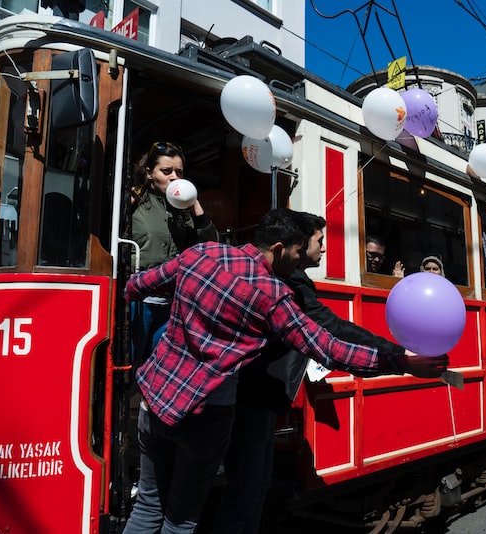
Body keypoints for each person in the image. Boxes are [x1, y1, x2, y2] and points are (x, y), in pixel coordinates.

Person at [122, 209, 448, 533]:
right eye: (297, 250)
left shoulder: (201, 253)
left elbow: (135, 287)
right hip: (206, 412)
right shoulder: (272, 296)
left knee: (148, 506)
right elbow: (329, 348)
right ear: (279, 248)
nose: (298, 258)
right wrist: (401, 362)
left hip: (154, 398)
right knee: (181, 519)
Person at [213, 213, 434, 534]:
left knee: (249, 491)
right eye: (320, 242)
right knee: (245, 495)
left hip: (248, 395)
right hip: (254, 397)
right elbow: (329, 338)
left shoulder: (268, 274)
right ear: (299, 244)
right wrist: (398, 354)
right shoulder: (289, 285)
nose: (325, 249)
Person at [129, 141, 218, 368]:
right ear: (150, 173)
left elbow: (209, 247)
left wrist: (196, 208)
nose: (174, 177)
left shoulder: (182, 210)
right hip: (139, 299)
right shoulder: (135, 201)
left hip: (172, 301)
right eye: (166, 171)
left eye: (179, 172)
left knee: (162, 367)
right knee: (129, 362)